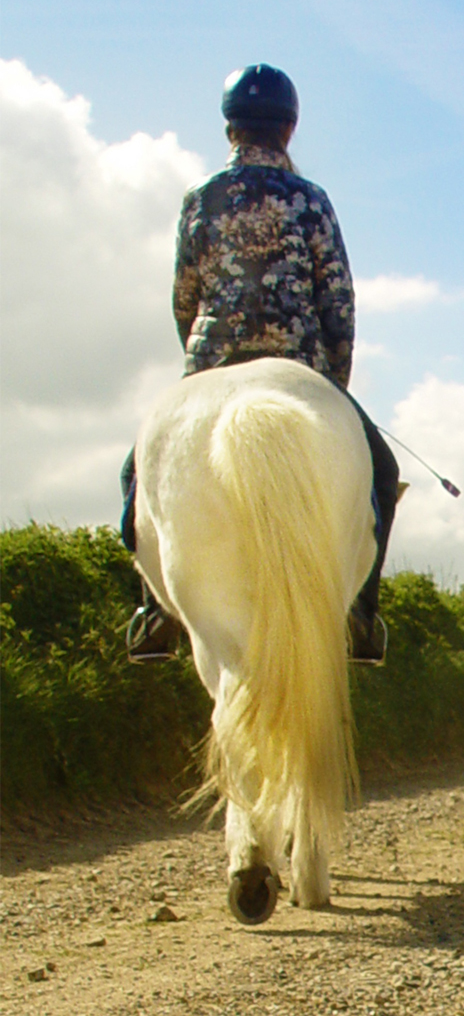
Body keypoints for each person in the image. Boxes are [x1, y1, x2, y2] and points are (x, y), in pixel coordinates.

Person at [122, 64, 399, 665]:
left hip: (210, 362)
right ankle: (362, 617)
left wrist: (200, 369)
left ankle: (151, 612)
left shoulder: (201, 198)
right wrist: (333, 388)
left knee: (137, 477)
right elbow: (338, 302)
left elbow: (184, 297)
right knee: (381, 473)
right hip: (303, 365)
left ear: (230, 129)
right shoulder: (310, 199)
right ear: (289, 129)